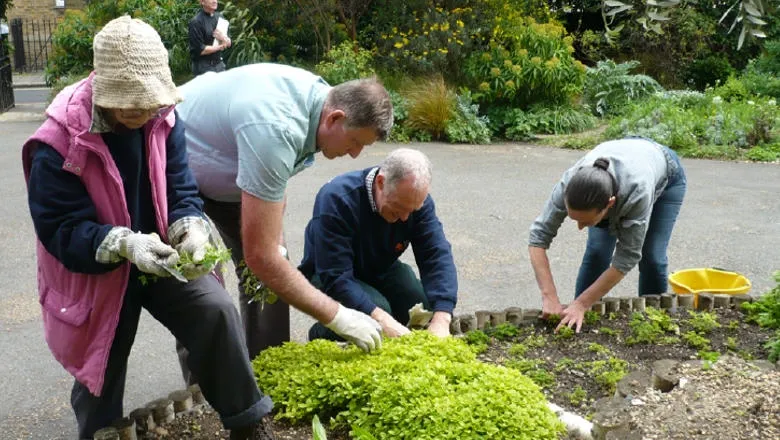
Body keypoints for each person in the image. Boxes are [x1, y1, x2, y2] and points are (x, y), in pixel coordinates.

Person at [22, 16, 275, 440]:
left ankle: (248, 424)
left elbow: (181, 188)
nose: (143, 112)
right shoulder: (58, 143)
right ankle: (99, 434)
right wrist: (122, 243)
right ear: (103, 90)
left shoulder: (163, 116)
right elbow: (60, 231)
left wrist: (189, 228)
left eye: (149, 102)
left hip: (162, 255)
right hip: (98, 269)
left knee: (215, 311)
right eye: (131, 104)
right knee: (101, 365)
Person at [176, 63, 392, 359]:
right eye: (355, 142)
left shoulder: (322, 103)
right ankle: (209, 394)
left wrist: (274, 248)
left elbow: (275, 178)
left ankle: (266, 368)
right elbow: (259, 255)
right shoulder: (277, 126)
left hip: (228, 169)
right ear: (335, 118)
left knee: (275, 272)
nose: (355, 154)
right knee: (204, 287)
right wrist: (339, 316)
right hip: (176, 164)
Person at [528, 137, 687, 332]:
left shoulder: (637, 191)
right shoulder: (570, 184)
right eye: (575, 219)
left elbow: (627, 257)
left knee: (652, 257)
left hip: (666, 175)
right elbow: (538, 238)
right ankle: (576, 319)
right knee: (597, 251)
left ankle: (652, 322)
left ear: (609, 205)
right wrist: (549, 296)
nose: (580, 227)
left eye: (586, 221)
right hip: (619, 167)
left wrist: (582, 303)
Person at [300, 148, 458, 341]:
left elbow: (435, 254)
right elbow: (335, 276)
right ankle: (322, 334)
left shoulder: (414, 200)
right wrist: (381, 318)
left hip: (380, 267)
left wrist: (442, 317)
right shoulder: (337, 199)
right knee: (376, 315)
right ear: (381, 182)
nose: (405, 217)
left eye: (412, 210)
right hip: (328, 273)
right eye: (399, 207)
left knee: (422, 306)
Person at [189, 0, 231, 76]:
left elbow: (229, 43)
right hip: (203, 67)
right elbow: (200, 50)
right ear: (202, 2)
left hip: (219, 64)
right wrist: (220, 47)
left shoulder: (220, 17)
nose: (215, 1)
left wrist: (223, 38)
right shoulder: (196, 22)